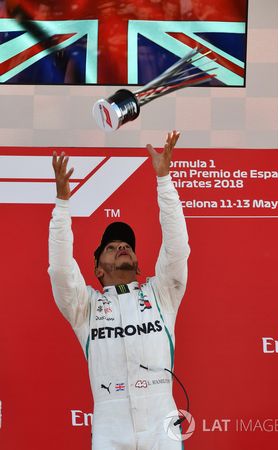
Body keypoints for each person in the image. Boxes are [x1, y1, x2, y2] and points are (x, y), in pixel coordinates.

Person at [48, 130, 190, 450]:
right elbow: (59, 269)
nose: (121, 247)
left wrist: (164, 180)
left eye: (126, 245)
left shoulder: (161, 293)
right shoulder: (85, 307)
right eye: (111, 248)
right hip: (111, 425)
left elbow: (177, 248)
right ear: (98, 269)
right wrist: (62, 206)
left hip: (160, 422)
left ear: (139, 265)